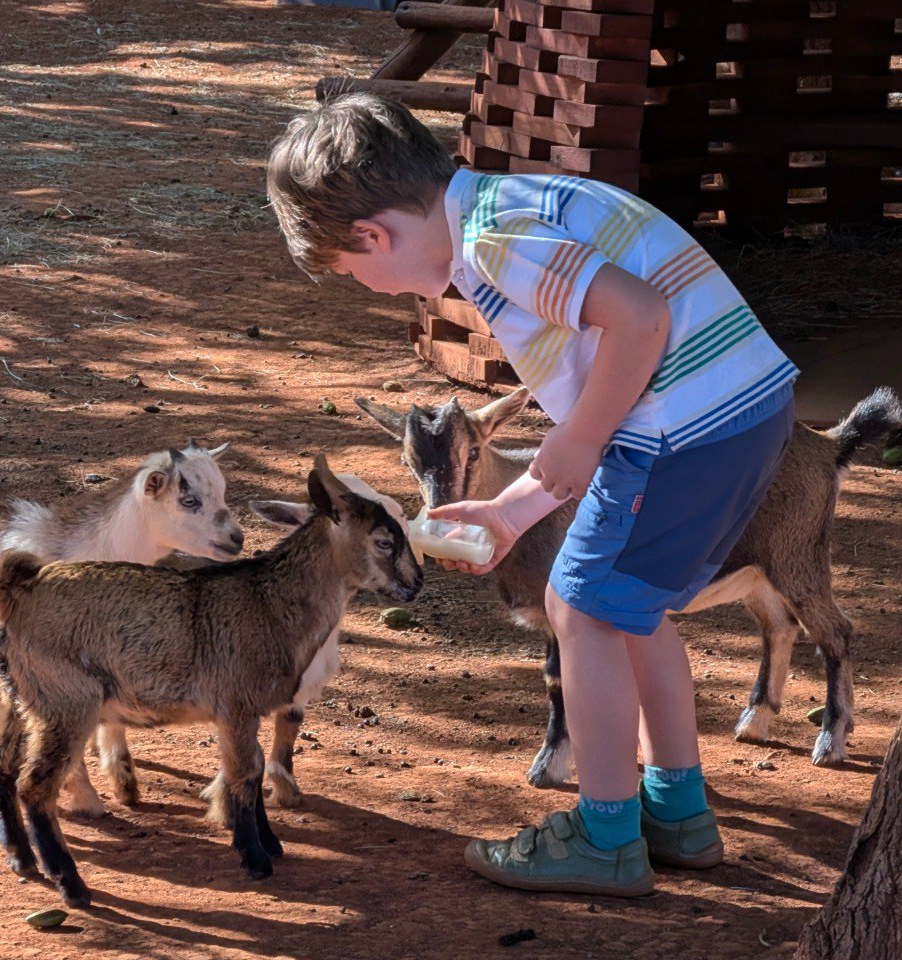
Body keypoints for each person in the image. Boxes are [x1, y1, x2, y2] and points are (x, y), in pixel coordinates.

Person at [266, 93, 796, 896]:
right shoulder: (510, 204)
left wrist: (581, 435)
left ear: (373, 235)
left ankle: (607, 832)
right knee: (627, 609)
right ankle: (677, 812)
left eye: (353, 271)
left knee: (578, 610)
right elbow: (615, 375)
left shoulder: (494, 243)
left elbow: (640, 319)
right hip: (737, 413)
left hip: (681, 425)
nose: (369, 287)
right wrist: (511, 513)